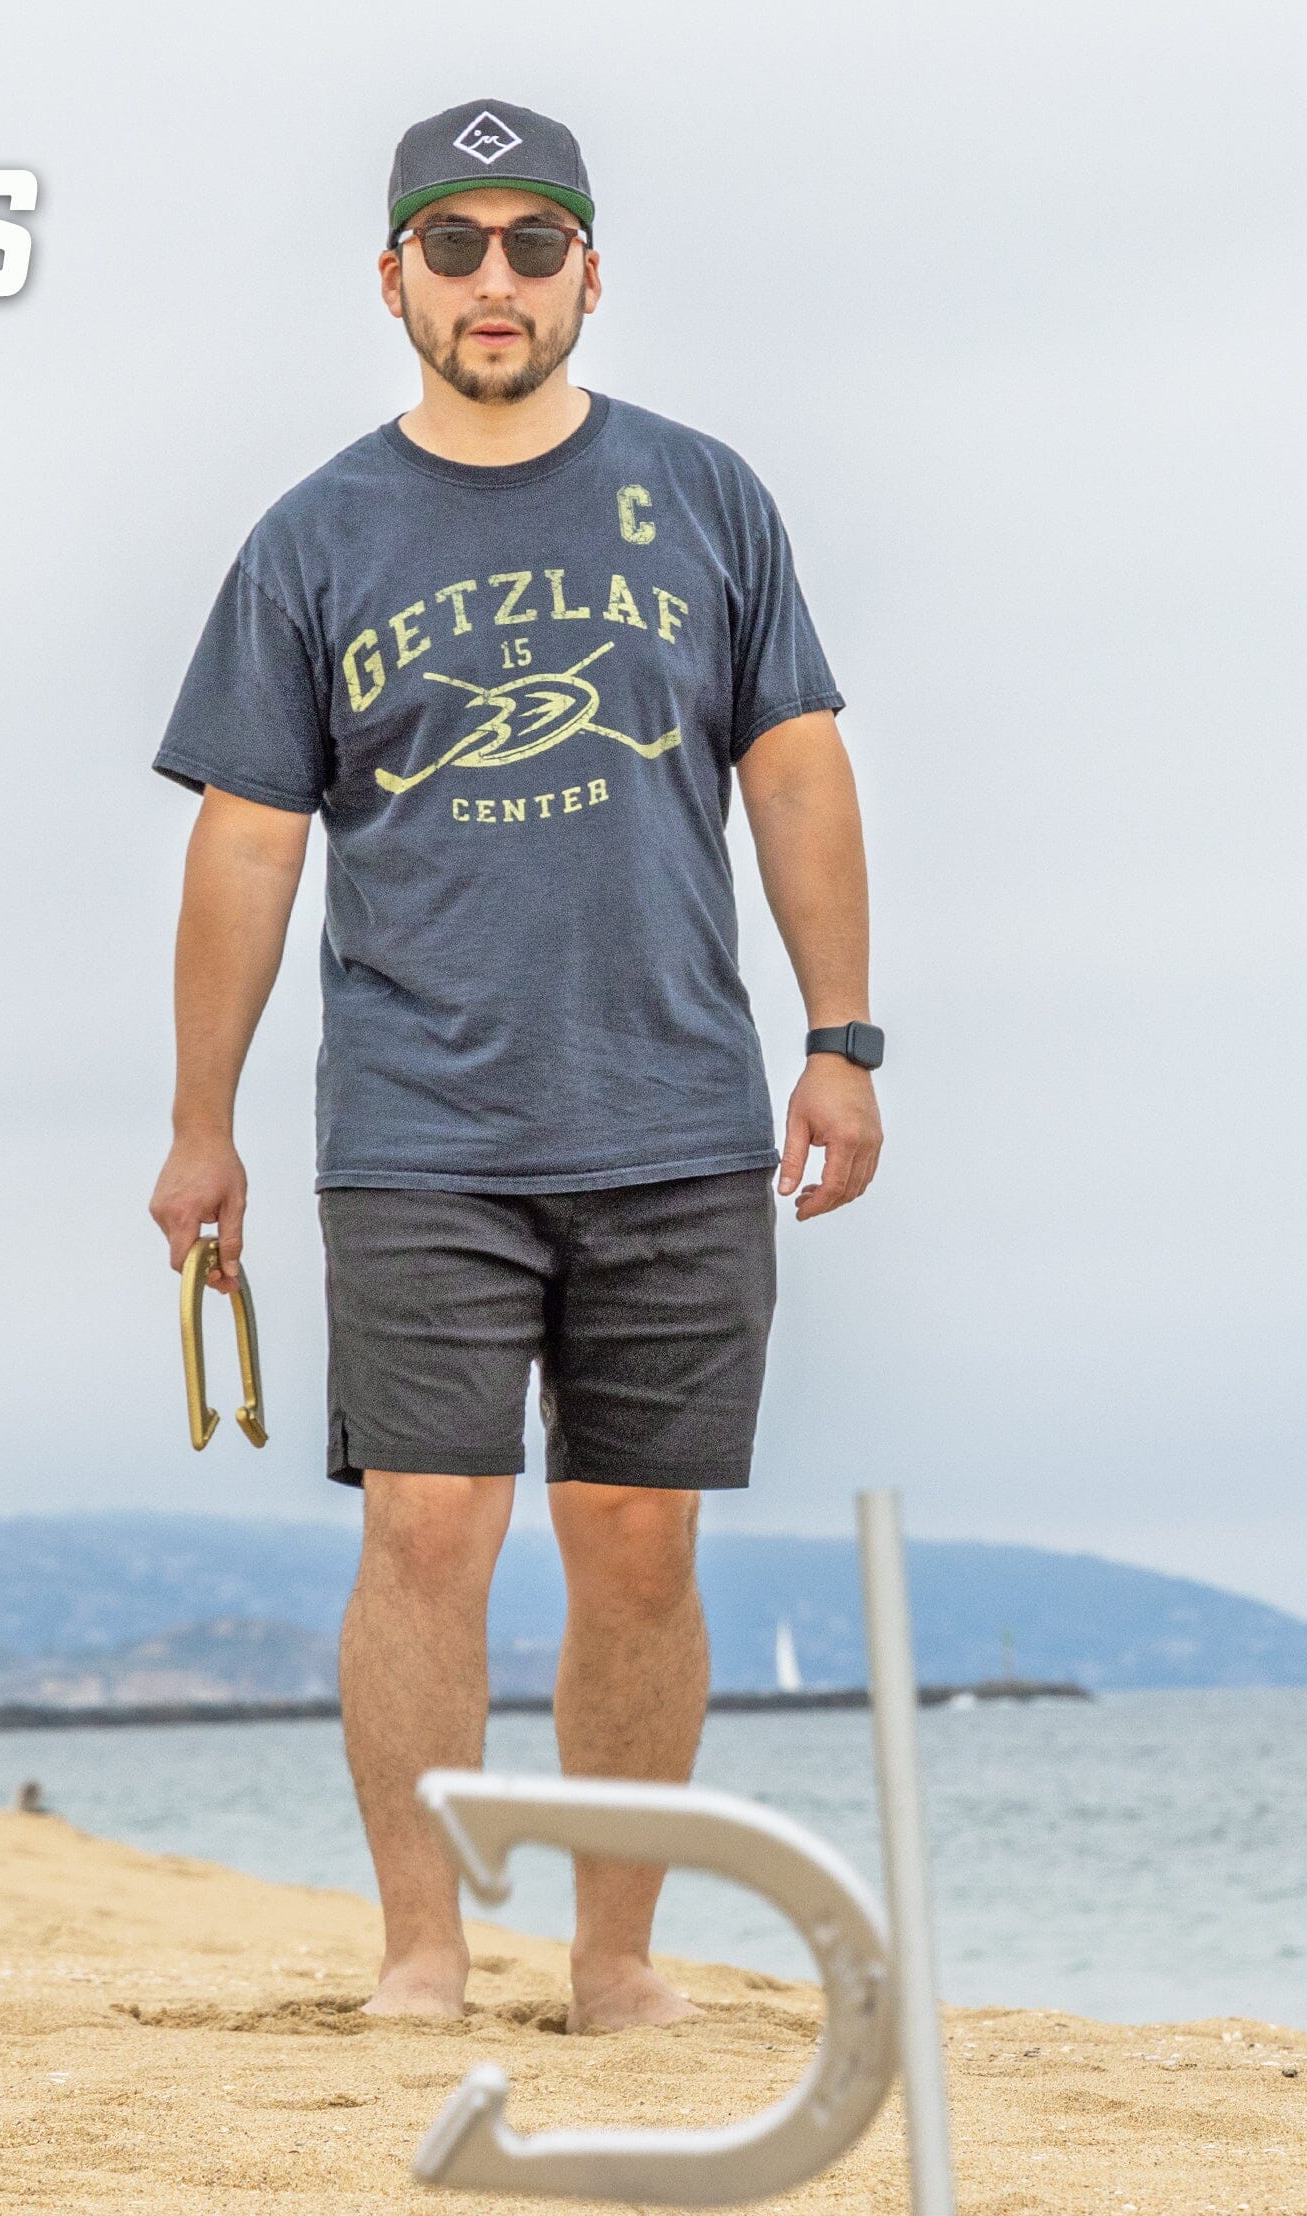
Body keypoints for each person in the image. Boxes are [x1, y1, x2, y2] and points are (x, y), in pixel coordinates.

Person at [149, 99, 885, 2030]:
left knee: (637, 1543)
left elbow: (794, 768)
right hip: (419, 1127)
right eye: (455, 245)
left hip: (674, 1115)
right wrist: (198, 1127)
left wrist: (843, 1041)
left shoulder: (709, 498)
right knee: (427, 1529)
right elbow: (246, 838)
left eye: (533, 244)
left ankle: (618, 1964)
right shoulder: (314, 536)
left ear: (586, 275)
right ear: (393, 276)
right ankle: (418, 1954)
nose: (497, 280)